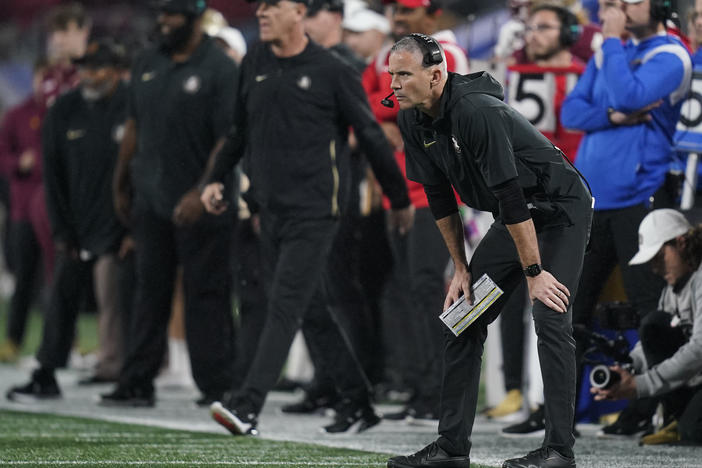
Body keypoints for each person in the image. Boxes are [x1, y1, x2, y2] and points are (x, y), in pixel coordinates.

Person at [200, 0, 413, 436]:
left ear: (298, 12)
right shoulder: (256, 60)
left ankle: (247, 404)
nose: (261, 12)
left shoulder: (332, 70)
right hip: (269, 209)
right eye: (259, 6)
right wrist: (217, 177)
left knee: (285, 302)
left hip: (317, 210)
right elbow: (239, 130)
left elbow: (370, 133)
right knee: (311, 309)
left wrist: (399, 196)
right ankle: (357, 401)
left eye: (272, 5)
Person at [384, 34, 592, 468]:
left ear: (436, 75)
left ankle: (558, 451)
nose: (395, 84)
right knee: (461, 318)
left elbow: (513, 198)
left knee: (550, 318)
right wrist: (460, 267)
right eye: (392, 75)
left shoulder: (476, 112)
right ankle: (451, 448)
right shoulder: (413, 118)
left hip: (557, 210)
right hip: (513, 214)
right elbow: (440, 197)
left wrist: (534, 272)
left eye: (404, 74)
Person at [561, 0, 692, 436]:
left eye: (631, 0)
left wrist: (612, 45)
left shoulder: (670, 55)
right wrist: (613, 117)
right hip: (594, 198)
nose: (618, 8)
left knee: (649, 309)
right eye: (613, 2)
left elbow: (628, 94)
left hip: (642, 195)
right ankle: (560, 413)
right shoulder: (609, 51)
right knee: (571, 306)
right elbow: (572, 112)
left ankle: (650, 408)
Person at [104, 0, 238, 407]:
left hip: (202, 201)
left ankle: (218, 387)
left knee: (207, 293)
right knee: (148, 292)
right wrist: (120, 181)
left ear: (195, 19)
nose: (163, 21)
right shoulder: (147, 62)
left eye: (173, 15)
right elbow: (133, 125)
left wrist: (202, 190)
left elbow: (228, 137)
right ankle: (137, 381)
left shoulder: (220, 68)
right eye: (161, 14)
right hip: (151, 198)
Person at [5, 39, 131, 401]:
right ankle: (47, 372)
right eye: (85, 67)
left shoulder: (133, 105)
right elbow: (53, 178)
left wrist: (134, 227)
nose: (89, 75)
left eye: (97, 67)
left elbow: (142, 169)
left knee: (127, 300)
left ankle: (133, 375)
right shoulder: (64, 111)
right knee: (61, 297)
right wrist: (61, 230)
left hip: (120, 223)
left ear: (116, 70)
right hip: (76, 224)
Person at [363, 0, 469, 422]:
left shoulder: (445, 51)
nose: (399, 18)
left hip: (438, 192)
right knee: (405, 290)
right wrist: (385, 107)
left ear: (434, 14)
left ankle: (442, 390)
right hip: (400, 194)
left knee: (429, 288)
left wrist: (385, 104)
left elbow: (406, 100)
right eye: (395, 11)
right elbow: (363, 102)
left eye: (408, 11)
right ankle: (419, 387)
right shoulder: (387, 57)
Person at [496, 3, 587, 428]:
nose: (532, 35)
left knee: (556, 304)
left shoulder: (582, 71)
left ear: (569, 31)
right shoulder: (515, 69)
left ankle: (554, 408)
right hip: (523, 197)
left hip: (569, 198)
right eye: (529, 27)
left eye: (543, 27)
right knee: (507, 298)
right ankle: (521, 393)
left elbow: (577, 119)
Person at [592, 209, 702, 446]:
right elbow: (653, 340)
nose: (654, 267)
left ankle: (678, 419)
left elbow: (700, 348)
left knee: (694, 432)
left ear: (681, 243)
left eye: (659, 257)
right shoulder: (673, 288)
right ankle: (677, 417)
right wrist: (628, 369)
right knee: (654, 326)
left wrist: (640, 385)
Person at [0, 60, 50, 363]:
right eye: (41, 77)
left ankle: (61, 344)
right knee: (24, 278)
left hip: (57, 209)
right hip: (22, 207)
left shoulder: (62, 112)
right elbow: (2, 158)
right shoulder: (16, 115)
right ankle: (13, 340)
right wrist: (19, 163)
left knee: (57, 280)